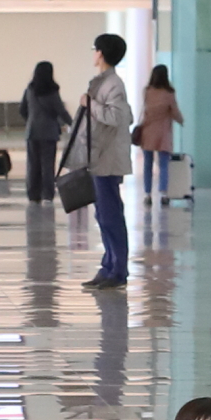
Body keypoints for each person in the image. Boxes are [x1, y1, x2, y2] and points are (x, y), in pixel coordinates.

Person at [75, 32, 133, 292]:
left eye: (94, 49)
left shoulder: (113, 84)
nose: (92, 54)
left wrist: (90, 104)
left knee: (110, 215)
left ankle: (118, 269)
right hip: (99, 157)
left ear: (101, 53)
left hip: (107, 159)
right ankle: (108, 265)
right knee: (103, 214)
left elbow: (117, 116)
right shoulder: (105, 82)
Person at [19, 61, 71, 205]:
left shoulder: (29, 89)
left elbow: (22, 109)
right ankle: (47, 194)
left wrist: (30, 120)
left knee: (32, 164)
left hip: (32, 131)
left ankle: (33, 194)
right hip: (49, 132)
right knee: (48, 165)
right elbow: (61, 110)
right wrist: (73, 123)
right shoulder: (52, 92)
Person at [138, 63, 184, 202]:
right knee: (164, 164)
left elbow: (146, 110)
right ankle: (163, 194)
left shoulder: (147, 91)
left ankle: (147, 194)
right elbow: (175, 111)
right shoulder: (169, 93)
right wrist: (181, 120)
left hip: (148, 131)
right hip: (163, 132)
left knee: (147, 164)